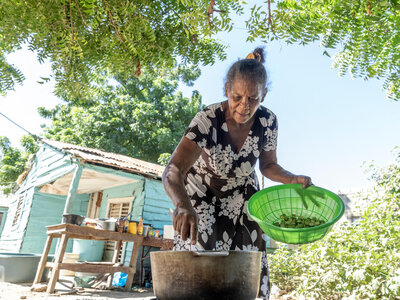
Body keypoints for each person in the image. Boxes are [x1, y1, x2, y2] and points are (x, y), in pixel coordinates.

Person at [162, 47, 312, 299]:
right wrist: (182, 205)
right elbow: (173, 169)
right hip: (201, 192)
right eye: (237, 97)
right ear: (226, 91)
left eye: (253, 98)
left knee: (248, 258)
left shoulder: (268, 122)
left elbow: (268, 166)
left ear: (263, 95)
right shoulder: (207, 119)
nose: (244, 106)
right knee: (200, 254)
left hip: (243, 192)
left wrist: (292, 178)